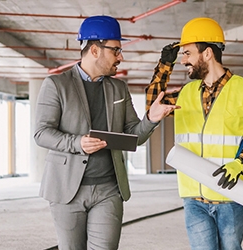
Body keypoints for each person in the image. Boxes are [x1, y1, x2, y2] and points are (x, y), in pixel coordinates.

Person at [34, 15, 178, 249]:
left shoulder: (118, 87)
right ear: (94, 50)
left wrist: (151, 119)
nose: (120, 57)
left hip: (109, 189)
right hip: (67, 190)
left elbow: (134, 136)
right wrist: (77, 142)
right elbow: (42, 133)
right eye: (116, 50)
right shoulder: (57, 85)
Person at [146, 17, 243, 250]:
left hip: (232, 196)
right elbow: (153, 105)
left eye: (187, 54)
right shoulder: (186, 93)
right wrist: (164, 65)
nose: (183, 60)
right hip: (194, 198)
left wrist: (239, 164)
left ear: (207, 54)